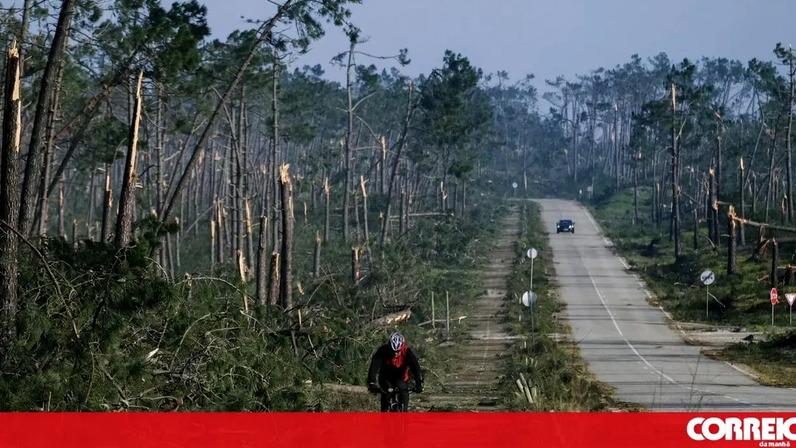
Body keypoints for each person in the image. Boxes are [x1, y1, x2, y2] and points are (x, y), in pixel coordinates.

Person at [367, 331, 423, 411]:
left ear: (402, 347)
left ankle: (404, 415)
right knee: (387, 393)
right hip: (386, 377)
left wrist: (419, 382)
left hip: (401, 377)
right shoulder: (382, 351)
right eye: (393, 351)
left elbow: (415, 367)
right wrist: (371, 381)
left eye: (398, 351)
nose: (395, 354)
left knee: (403, 391)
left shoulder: (407, 352)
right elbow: (374, 366)